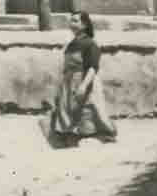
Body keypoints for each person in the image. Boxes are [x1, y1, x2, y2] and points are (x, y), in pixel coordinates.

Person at [46, 11, 118, 147]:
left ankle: (98, 135)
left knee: (88, 109)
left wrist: (84, 85)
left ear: (84, 24)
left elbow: (92, 67)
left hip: (84, 80)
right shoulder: (72, 44)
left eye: (75, 21)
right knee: (69, 110)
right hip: (69, 82)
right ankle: (72, 136)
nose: (71, 24)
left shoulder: (90, 44)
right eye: (71, 21)